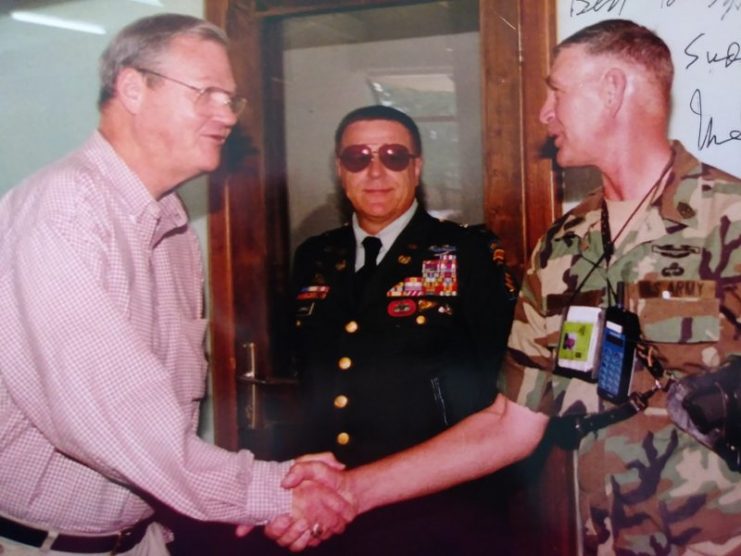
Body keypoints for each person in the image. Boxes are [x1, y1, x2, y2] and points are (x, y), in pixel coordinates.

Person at [271, 19, 741, 555]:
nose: (544, 113)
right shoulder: (564, 246)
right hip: (609, 540)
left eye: (557, 91)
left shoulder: (729, 219)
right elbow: (509, 423)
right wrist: (350, 491)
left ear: (612, 90)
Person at [0, 14, 353, 555]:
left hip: (140, 539)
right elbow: (117, 416)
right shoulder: (65, 212)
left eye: (231, 100)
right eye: (207, 92)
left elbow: (163, 420)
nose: (226, 115)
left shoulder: (173, 226)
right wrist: (268, 492)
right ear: (133, 89)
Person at [282, 105, 516, 553]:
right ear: (340, 170)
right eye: (357, 157)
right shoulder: (314, 256)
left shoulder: (466, 253)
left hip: (437, 510)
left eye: (393, 156)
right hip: (332, 505)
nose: (375, 171)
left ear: (417, 167)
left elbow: (503, 385)